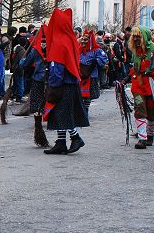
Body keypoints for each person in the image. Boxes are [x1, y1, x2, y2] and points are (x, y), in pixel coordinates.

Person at [42, 9, 88, 155]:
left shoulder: (58, 42)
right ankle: (61, 142)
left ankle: (75, 137)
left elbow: (57, 66)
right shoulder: (70, 38)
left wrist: (53, 86)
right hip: (71, 82)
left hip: (62, 83)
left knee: (62, 113)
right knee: (59, 113)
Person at [128, 27, 154, 149]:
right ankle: (142, 138)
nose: (136, 38)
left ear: (144, 36)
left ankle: (150, 135)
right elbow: (135, 67)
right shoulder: (135, 50)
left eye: (138, 36)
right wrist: (125, 79)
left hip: (152, 84)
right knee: (139, 108)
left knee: (151, 112)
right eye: (134, 36)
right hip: (138, 85)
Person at [20, 25, 49, 146]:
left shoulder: (35, 49)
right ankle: (47, 116)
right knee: (48, 98)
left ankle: (39, 117)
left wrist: (22, 62)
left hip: (38, 78)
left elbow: (26, 63)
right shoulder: (53, 47)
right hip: (50, 78)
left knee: (37, 101)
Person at [78, 30, 108, 117]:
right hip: (80, 76)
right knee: (79, 96)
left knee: (87, 97)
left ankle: (85, 112)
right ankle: (81, 112)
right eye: (82, 39)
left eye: (86, 40)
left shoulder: (97, 50)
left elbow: (104, 60)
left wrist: (96, 61)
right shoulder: (79, 49)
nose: (83, 41)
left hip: (91, 76)